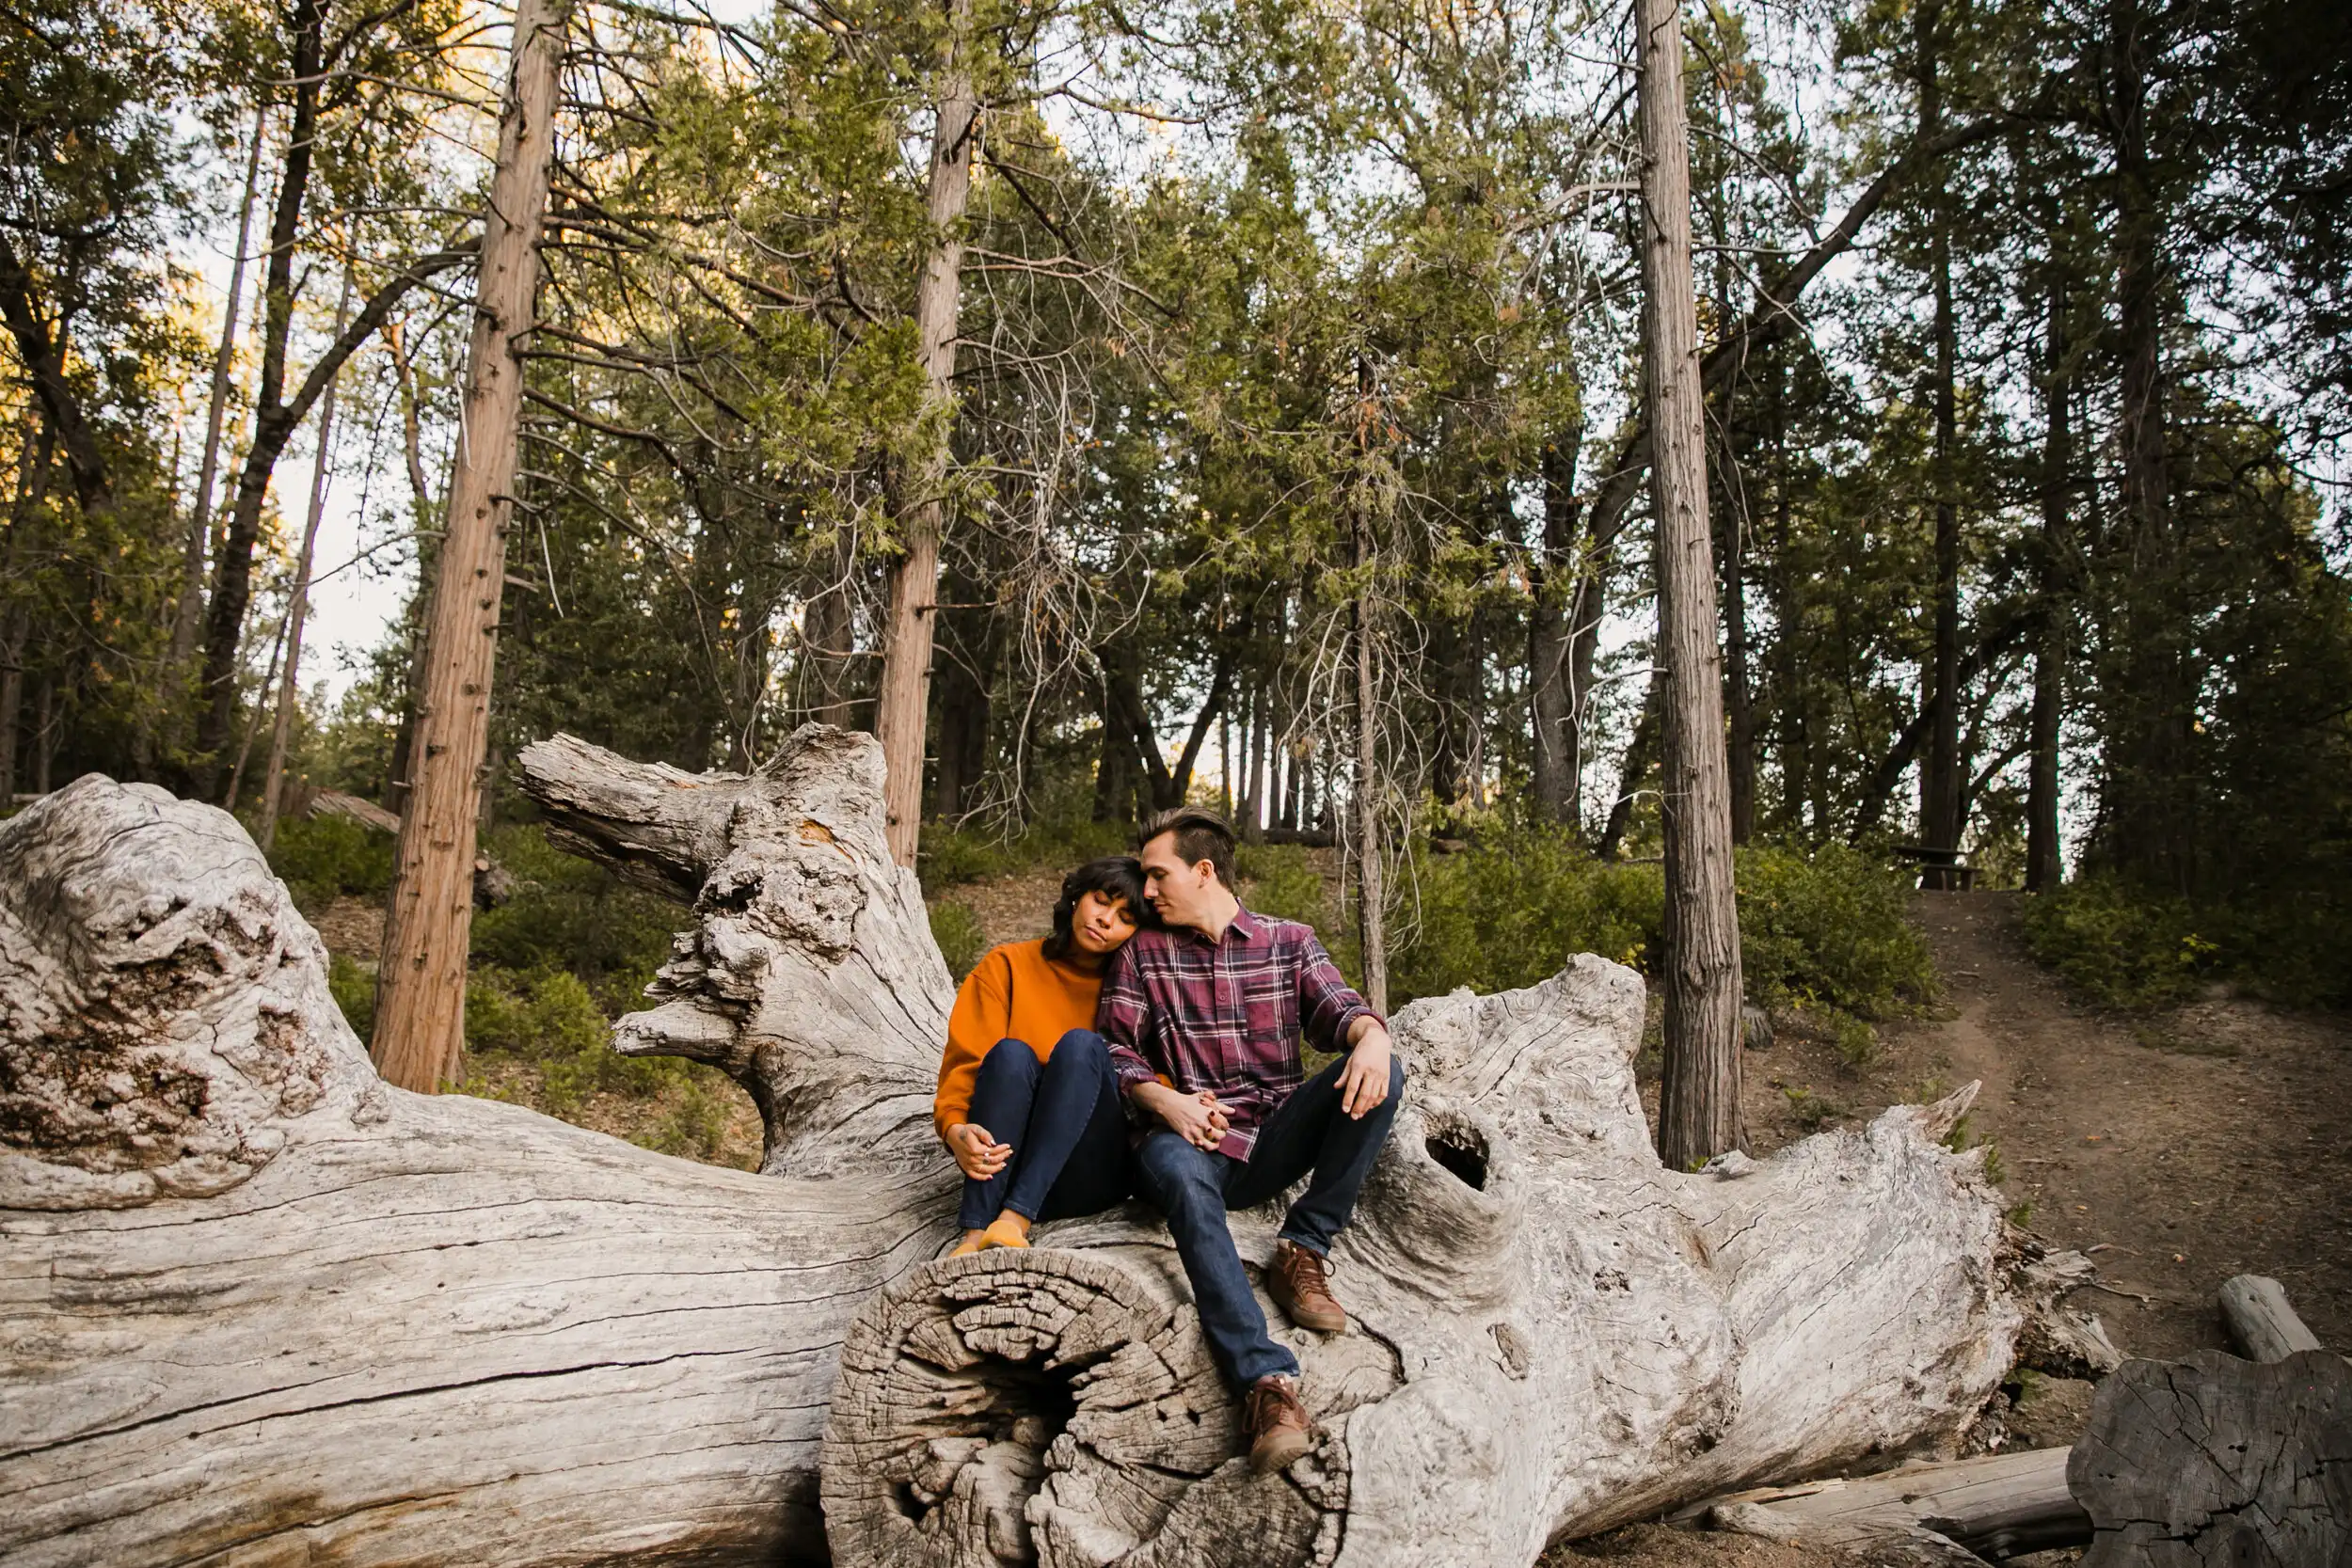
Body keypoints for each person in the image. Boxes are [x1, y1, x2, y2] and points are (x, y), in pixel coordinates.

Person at [1099, 806, 1404, 1474]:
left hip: (1267, 1140)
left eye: (1157, 875)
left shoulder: (1288, 941)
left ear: (1203, 870)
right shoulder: (1142, 954)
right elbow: (1111, 1053)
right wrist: (1165, 1100)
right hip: (1184, 1144)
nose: (1145, 892)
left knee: (1385, 1068)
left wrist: (1374, 1037)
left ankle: (1304, 1245)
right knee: (1177, 1169)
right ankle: (1267, 1385)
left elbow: (1342, 1011)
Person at [935, 856, 1151, 1257]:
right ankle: (973, 1236)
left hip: (1090, 1174)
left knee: (1081, 1047)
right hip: (1004, 1164)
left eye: (1125, 918)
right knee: (1011, 1054)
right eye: (1101, 901)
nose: (1105, 919)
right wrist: (954, 1131)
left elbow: (1154, 1078)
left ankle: (1014, 1221)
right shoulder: (1006, 966)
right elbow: (965, 1066)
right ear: (1076, 898)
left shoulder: (1136, 993)